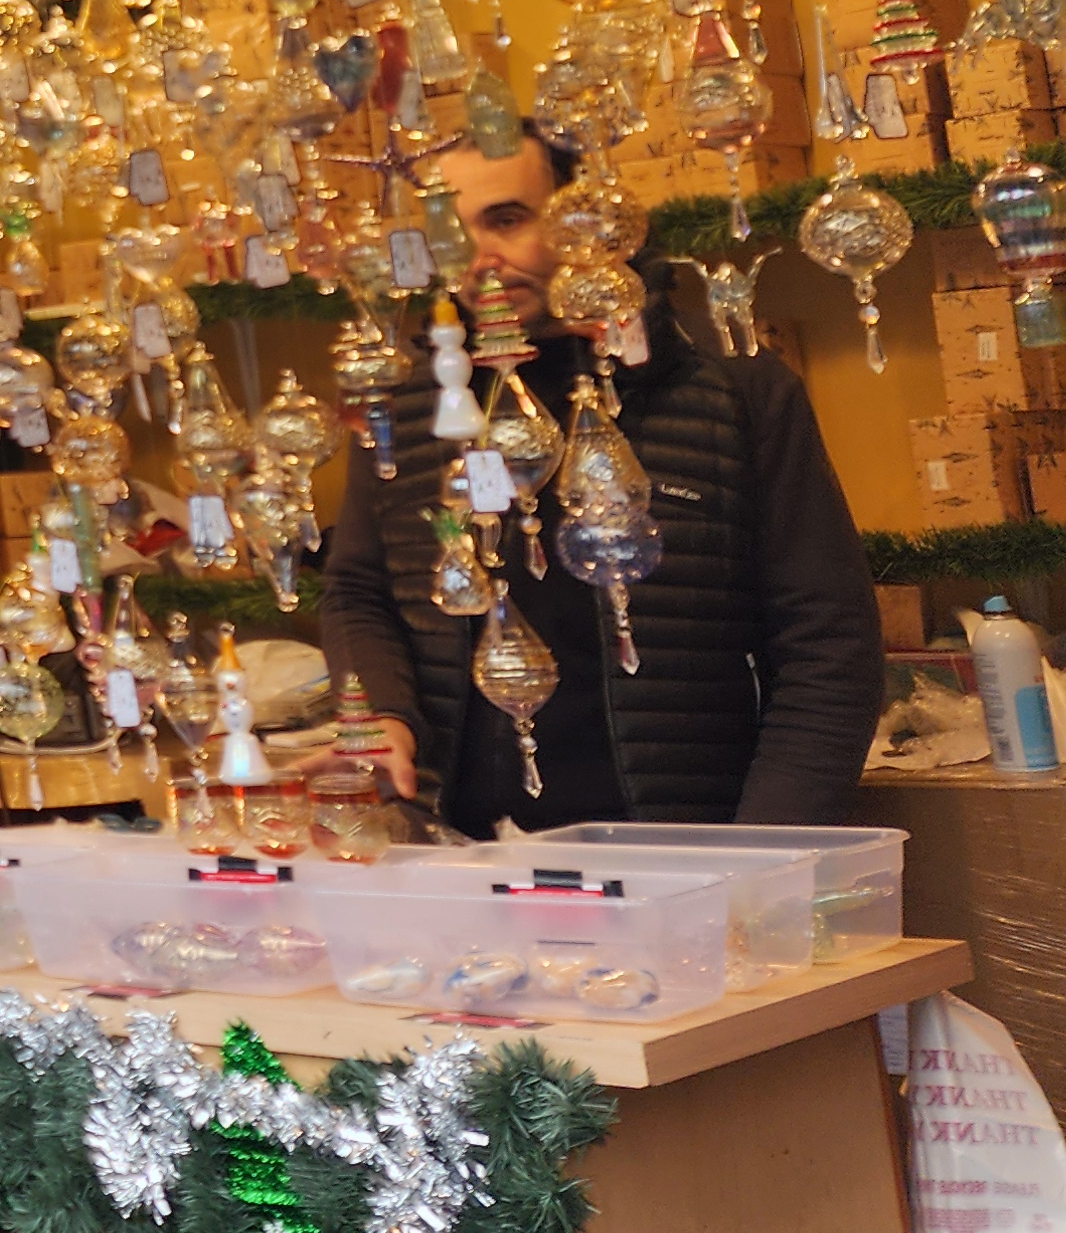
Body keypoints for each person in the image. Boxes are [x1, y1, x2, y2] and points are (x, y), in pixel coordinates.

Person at [317, 125, 886, 833]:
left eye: (507, 218)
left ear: (585, 215)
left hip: (686, 857)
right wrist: (383, 715)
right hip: (459, 856)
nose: (477, 260)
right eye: (447, 234)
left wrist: (768, 854)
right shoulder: (407, 407)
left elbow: (828, 647)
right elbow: (358, 592)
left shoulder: (732, 391)